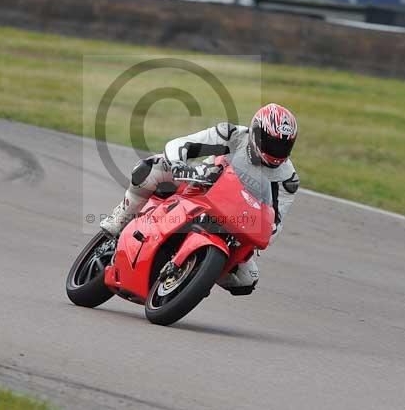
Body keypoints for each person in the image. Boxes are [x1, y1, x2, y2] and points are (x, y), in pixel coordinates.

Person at [99, 103, 300, 296]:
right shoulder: (232, 135)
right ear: (256, 131)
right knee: (151, 168)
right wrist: (178, 163)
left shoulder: (287, 179)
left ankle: (195, 275)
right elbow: (182, 143)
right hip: (202, 186)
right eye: (272, 142)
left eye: (283, 146)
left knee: (247, 280)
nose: (276, 150)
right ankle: (122, 218)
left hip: (238, 221)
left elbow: (275, 223)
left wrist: (261, 231)